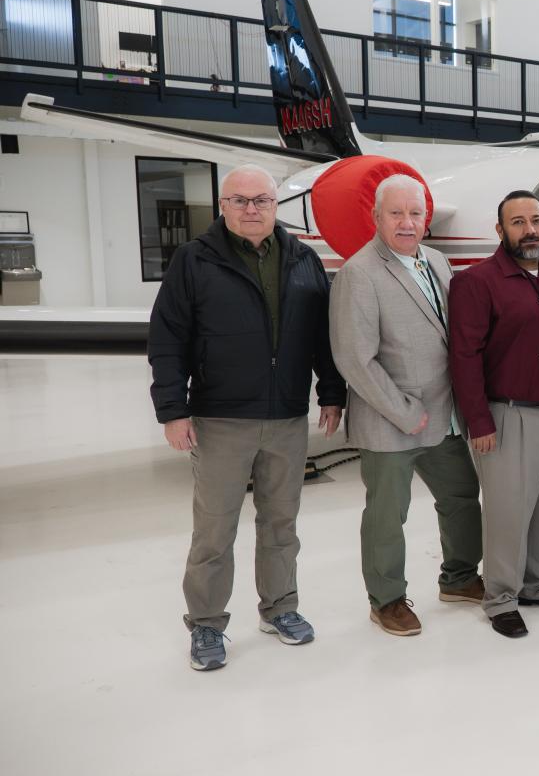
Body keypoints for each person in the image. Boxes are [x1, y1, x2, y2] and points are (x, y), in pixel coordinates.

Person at [148, 163, 344, 671]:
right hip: (220, 418)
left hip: (285, 417)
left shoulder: (303, 260)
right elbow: (167, 340)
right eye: (239, 200)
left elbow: (321, 336)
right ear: (223, 206)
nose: (251, 209)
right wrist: (173, 410)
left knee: (282, 522)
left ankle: (280, 608)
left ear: (276, 206)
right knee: (215, 529)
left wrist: (332, 391)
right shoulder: (194, 261)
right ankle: (207, 624)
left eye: (261, 200)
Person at [329, 174, 484, 637]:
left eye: (415, 213)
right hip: (391, 420)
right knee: (386, 515)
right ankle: (387, 600)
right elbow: (354, 359)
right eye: (396, 213)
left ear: (427, 219)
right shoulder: (360, 273)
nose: (407, 222)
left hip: (443, 415)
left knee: (460, 497)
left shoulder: (437, 262)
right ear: (376, 217)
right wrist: (403, 411)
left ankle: (458, 577)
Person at [449, 190, 539, 639]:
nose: (530, 230)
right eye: (519, 222)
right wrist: (478, 421)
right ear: (501, 230)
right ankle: (501, 596)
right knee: (507, 512)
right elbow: (464, 357)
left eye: (538, 221)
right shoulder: (477, 281)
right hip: (507, 414)